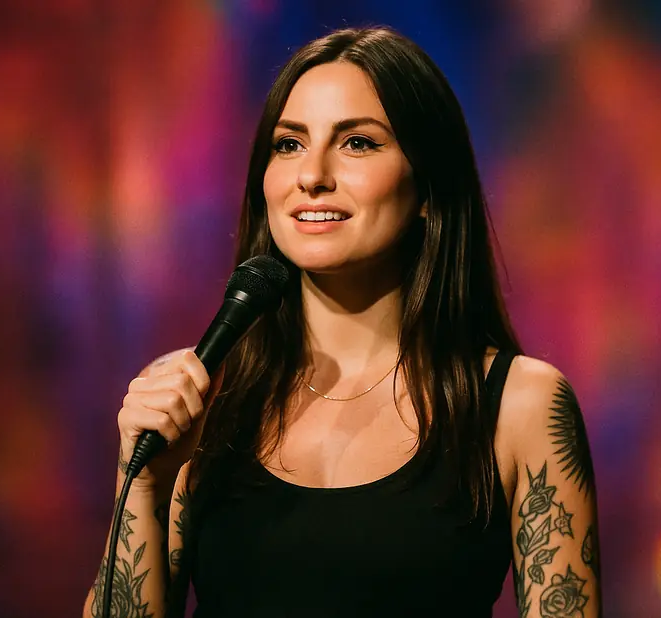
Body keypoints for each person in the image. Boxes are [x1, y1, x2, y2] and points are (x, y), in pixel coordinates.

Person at [83, 26, 601, 618]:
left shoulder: (520, 405)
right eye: (288, 144)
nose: (312, 175)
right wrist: (144, 485)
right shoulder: (202, 393)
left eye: (357, 143)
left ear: (430, 185)